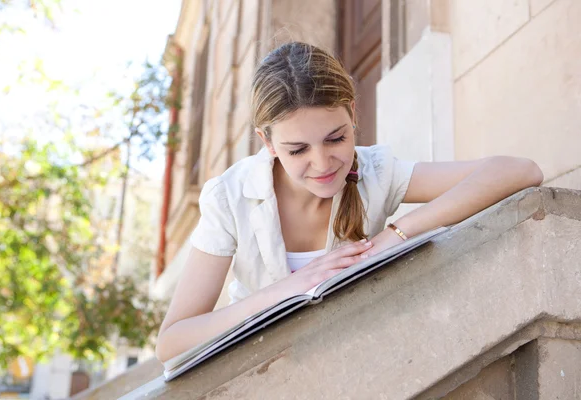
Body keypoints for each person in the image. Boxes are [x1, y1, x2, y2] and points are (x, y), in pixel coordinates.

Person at [155, 42, 543, 363]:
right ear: (268, 142)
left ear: (353, 114)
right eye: (297, 149)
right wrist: (284, 292)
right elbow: (171, 341)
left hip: (360, 359)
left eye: (336, 138)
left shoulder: (376, 172)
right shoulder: (229, 197)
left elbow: (519, 171)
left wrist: (396, 234)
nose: (322, 164)